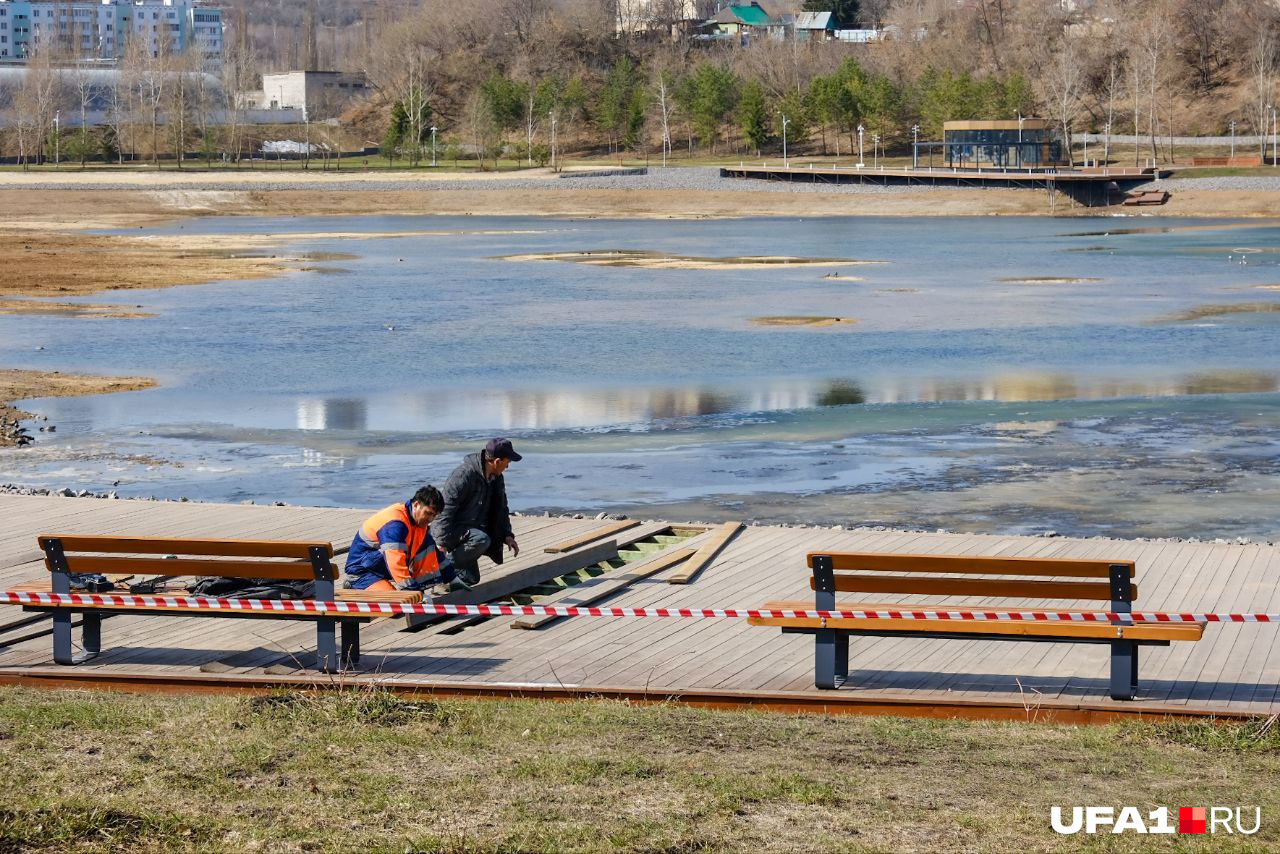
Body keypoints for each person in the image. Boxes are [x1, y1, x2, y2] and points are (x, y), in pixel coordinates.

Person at [431, 438, 522, 586]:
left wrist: (507, 535)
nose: (508, 466)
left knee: (471, 578)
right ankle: (436, 569)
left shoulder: (497, 479)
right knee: (482, 539)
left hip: (471, 531)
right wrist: (441, 542)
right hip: (453, 531)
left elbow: (502, 509)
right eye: (507, 461)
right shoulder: (463, 475)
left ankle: (445, 581)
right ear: (497, 461)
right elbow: (444, 509)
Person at [344, 485, 451, 592]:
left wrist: (452, 578)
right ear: (416, 504)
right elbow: (395, 561)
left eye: (434, 515)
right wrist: (413, 593)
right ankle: (352, 585)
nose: (431, 519)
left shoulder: (418, 523)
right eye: (428, 513)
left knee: (426, 544)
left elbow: (433, 552)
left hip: (380, 570)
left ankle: (418, 587)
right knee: (395, 604)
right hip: (362, 573)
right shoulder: (395, 524)